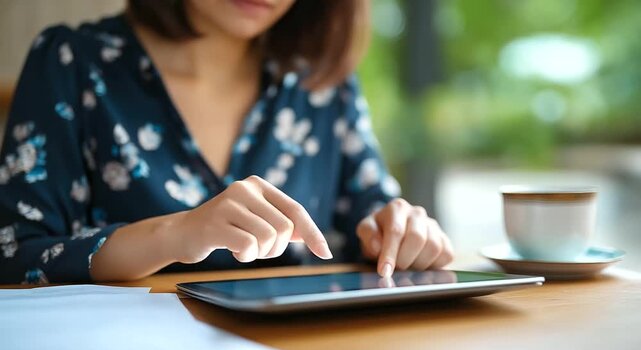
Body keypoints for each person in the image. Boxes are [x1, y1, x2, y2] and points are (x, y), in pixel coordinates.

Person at [0, 0, 453, 284]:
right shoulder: (71, 62)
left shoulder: (322, 84)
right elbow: (15, 253)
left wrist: (400, 232)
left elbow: (372, 217)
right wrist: (174, 233)